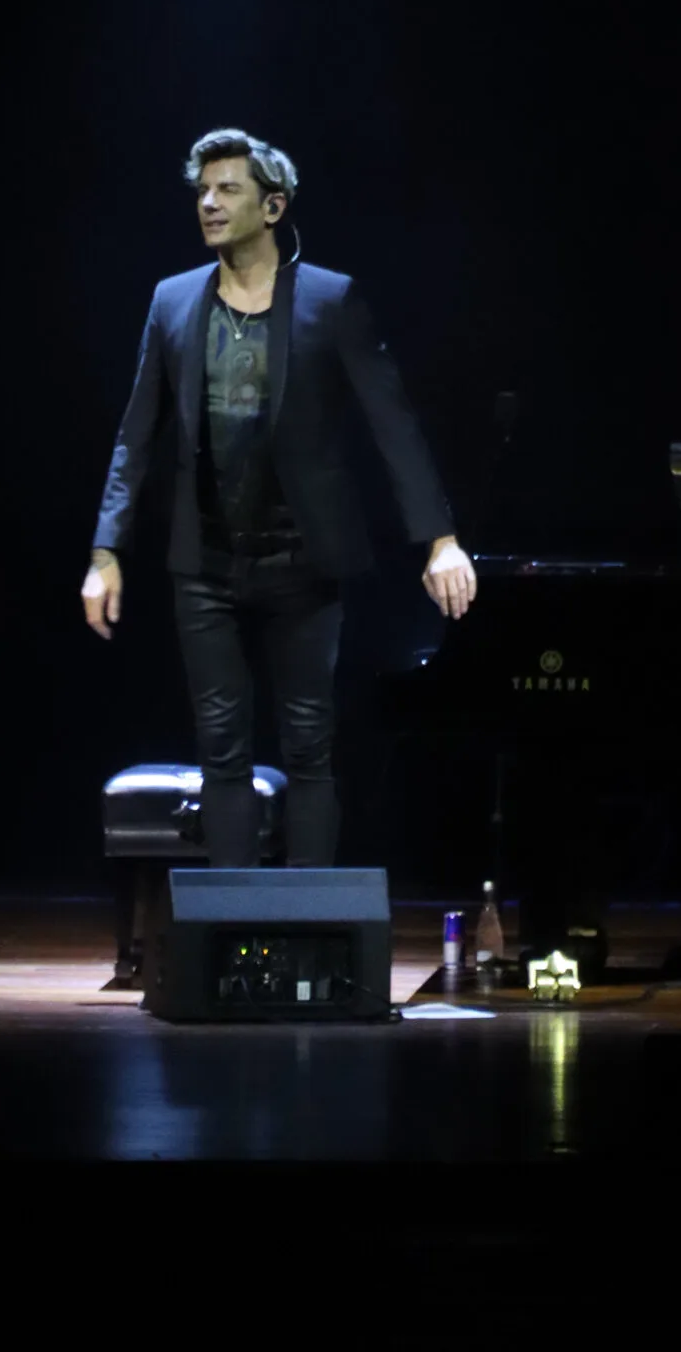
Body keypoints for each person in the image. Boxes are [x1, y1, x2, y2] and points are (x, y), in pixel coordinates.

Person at [81, 127, 477, 867]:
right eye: (203, 190)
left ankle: (311, 921)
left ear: (273, 207)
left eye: (227, 189)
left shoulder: (330, 300)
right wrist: (106, 552)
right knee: (221, 748)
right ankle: (234, 921)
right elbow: (136, 435)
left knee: (309, 744)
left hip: (305, 563)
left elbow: (392, 423)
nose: (208, 202)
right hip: (206, 566)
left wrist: (440, 539)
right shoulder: (173, 301)